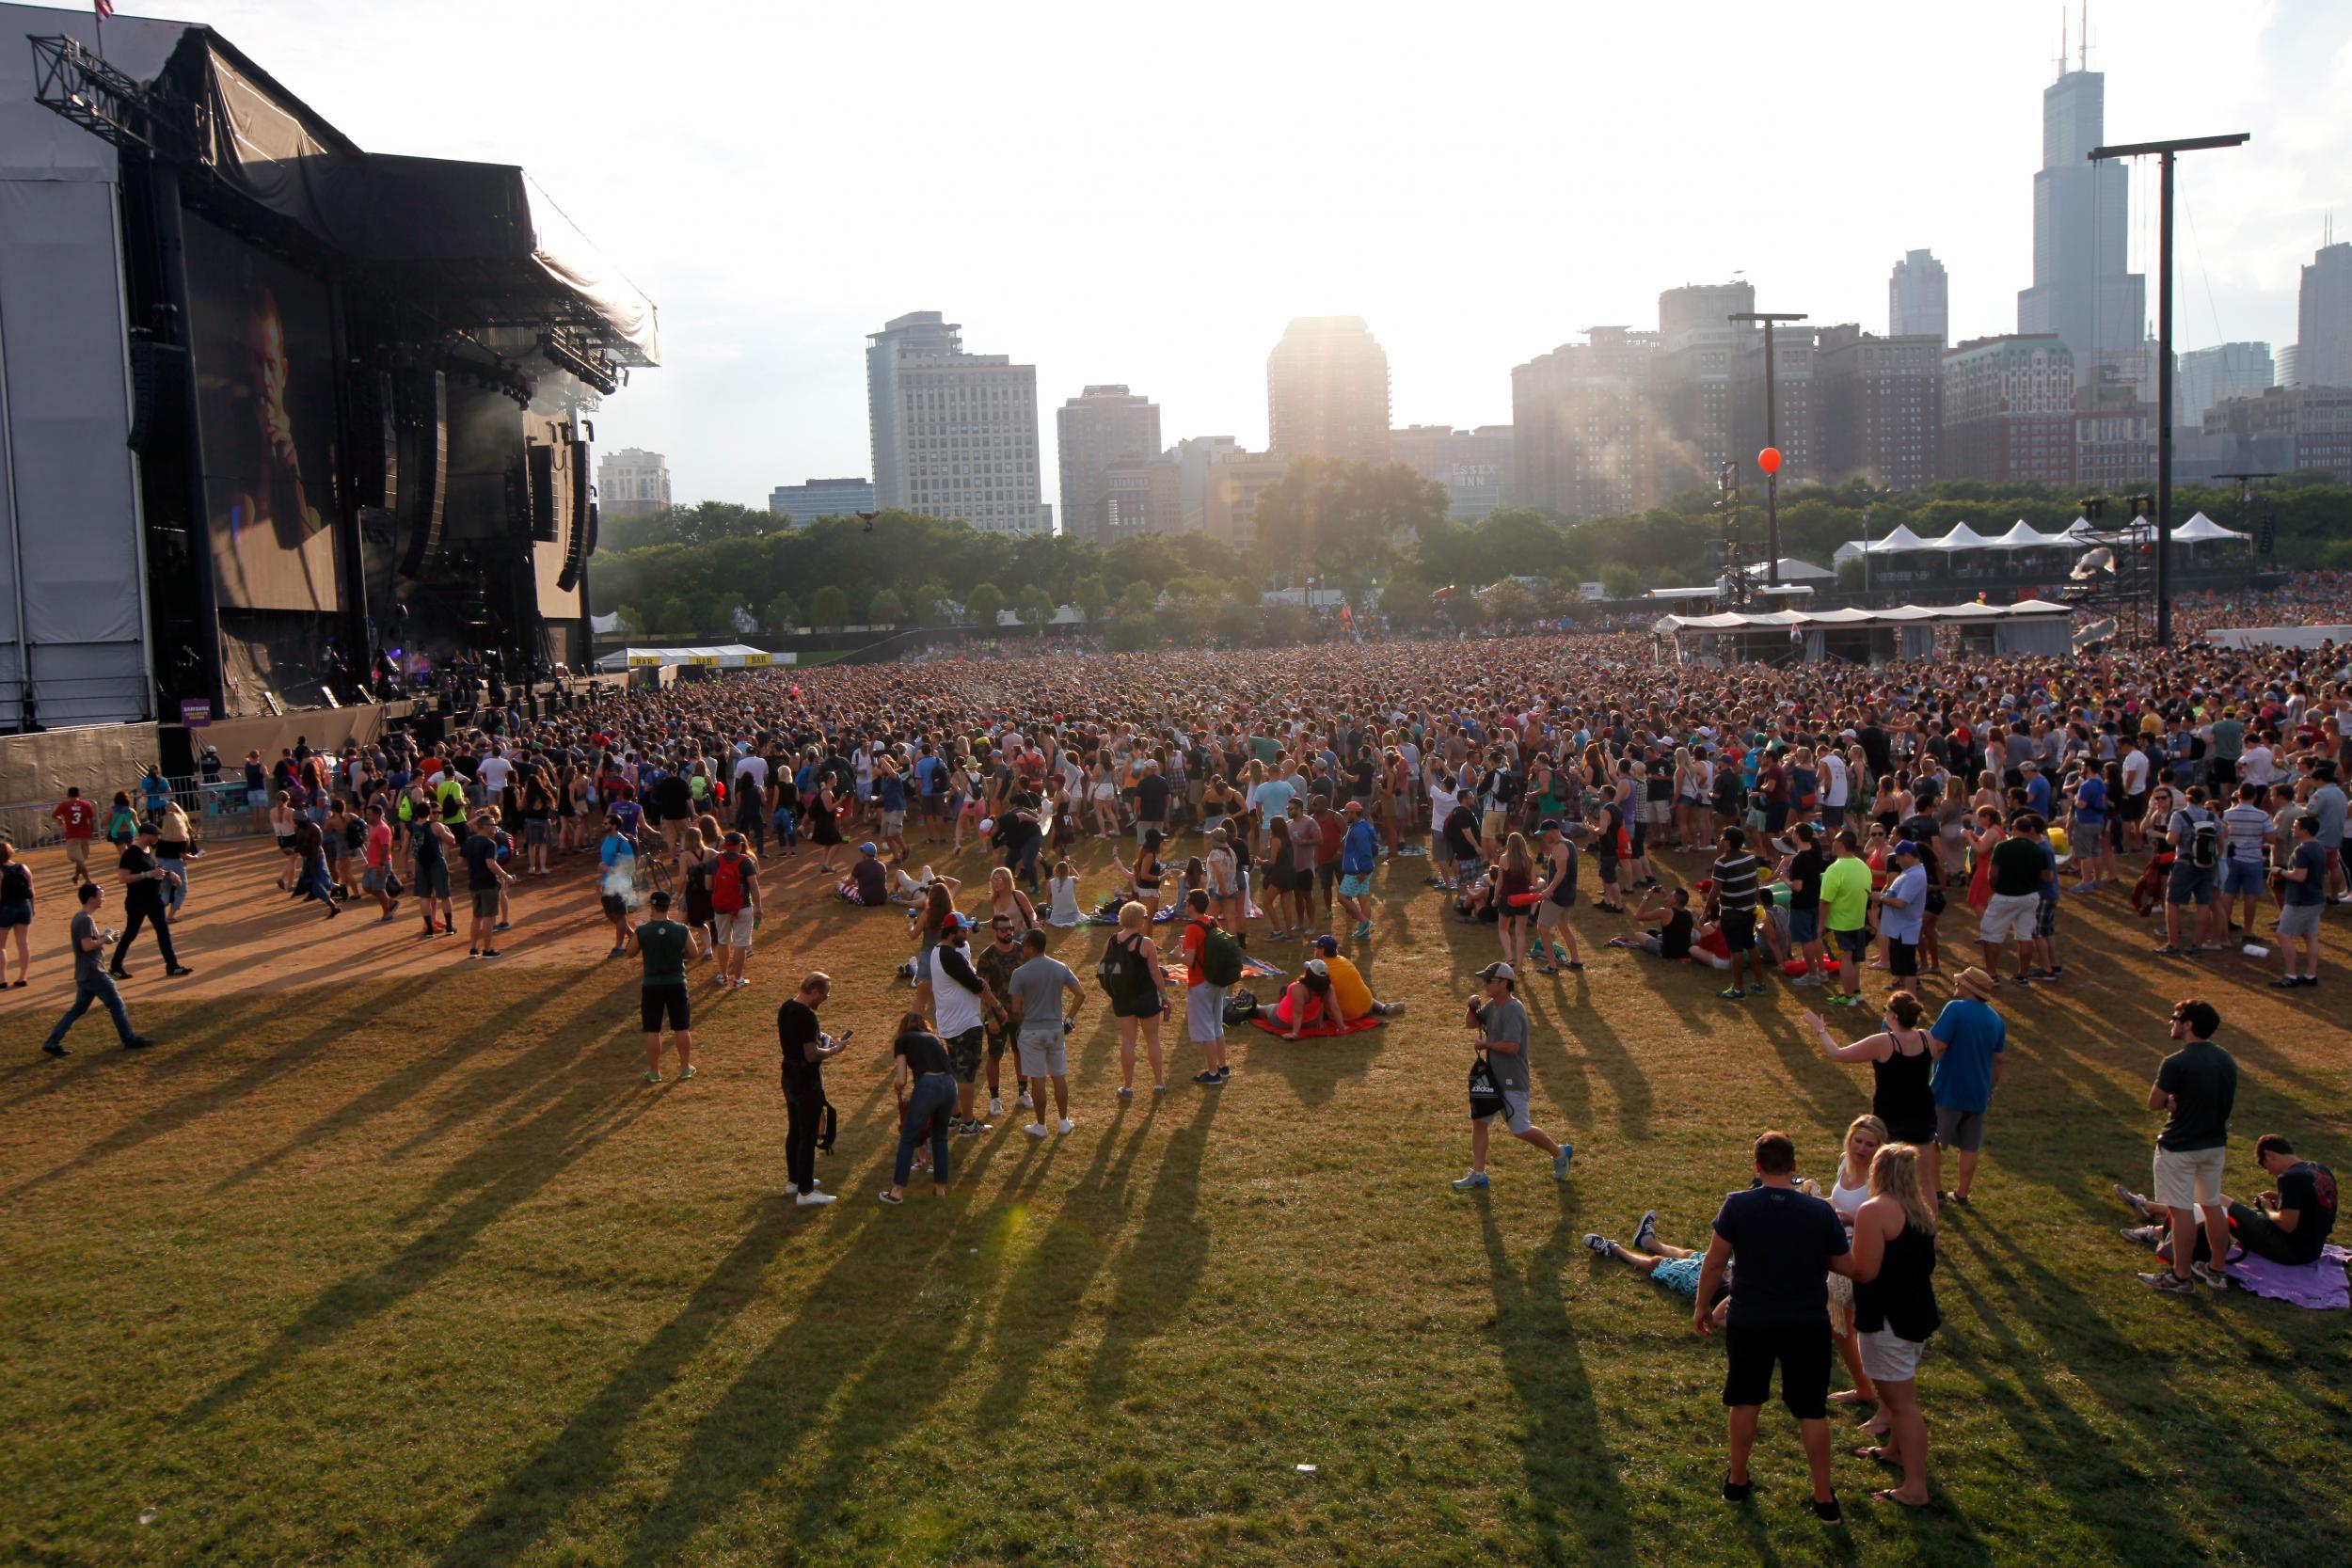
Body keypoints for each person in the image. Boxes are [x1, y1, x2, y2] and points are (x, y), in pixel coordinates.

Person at [1693, 1130, 1854, 1525]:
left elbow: (1714, 1264)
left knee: (1746, 1400)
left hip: (1750, 1319)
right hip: (1806, 1323)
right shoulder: (1819, 1212)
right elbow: (1845, 1265)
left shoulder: (1737, 1206)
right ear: (1794, 1167)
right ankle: (1823, 1498)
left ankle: (1736, 1480)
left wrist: (1702, 1306)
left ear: (1757, 1167)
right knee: (1811, 1411)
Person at [1845, 1141, 1941, 1510]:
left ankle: (1915, 1488)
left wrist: (1831, 1258)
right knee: (1900, 1395)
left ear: (1878, 1171)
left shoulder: (1874, 1211)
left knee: (1903, 1405)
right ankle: (1895, 1451)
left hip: (1887, 1319)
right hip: (1915, 1315)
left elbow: (1864, 1271)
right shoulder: (1921, 1210)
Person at [2139, 997, 2238, 1294]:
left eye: (2175, 1017)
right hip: (2214, 1145)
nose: (2172, 1022)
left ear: (2189, 1024)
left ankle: (2180, 1276)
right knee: (2212, 1207)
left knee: (2181, 1212)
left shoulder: (2176, 1063)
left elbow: (2154, 1102)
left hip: (2180, 1147)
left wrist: (2171, 1103)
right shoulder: (2226, 1060)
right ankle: (2217, 1271)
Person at [1451, 961, 1573, 1190]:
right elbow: (1471, 1024)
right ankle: (1479, 1174)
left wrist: (1485, 1044)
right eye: (1484, 980)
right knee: (1479, 1122)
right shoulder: (1492, 1005)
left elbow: (1512, 1047)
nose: (1485, 984)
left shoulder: (1513, 1009)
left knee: (1520, 1129)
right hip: (1492, 1078)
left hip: (1512, 1079)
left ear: (1505, 983)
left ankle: (1559, 1154)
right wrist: (1471, 1007)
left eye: (1489, 980)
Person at [1805, 992, 1936, 1149]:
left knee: (1884, 1169)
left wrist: (1821, 1030)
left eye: (1885, 1009)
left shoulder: (1883, 1042)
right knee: (1919, 1171)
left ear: (1893, 1015)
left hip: (1889, 1117)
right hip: (1923, 1115)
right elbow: (1928, 1062)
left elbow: (1837, 1054)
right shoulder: (1926, 1037)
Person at [1925, 968, 2006, 1207]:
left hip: (1948, 1089)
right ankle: (1962, 1193)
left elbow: (1937, 1044)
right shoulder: (1995, 1019)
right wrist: (1990, 1087)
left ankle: (1936, 1192)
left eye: (1958, 983)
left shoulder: (1955, 1009)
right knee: (1970, 1146)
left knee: (1931, 1139)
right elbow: (1999, 1060)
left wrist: (1917, 1069)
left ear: (1969, 988)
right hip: (1978, 1092)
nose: (1955, 987)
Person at [1584, 1211, 1733, 1326]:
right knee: (1688, 1254)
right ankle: (1646, 1241)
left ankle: (1613, 1249)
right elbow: (1718, 1316)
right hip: (1724, 1272)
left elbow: (1717, 1317)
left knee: (1657, 1263)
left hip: (1710, 1283)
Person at [921, 911, 996, 1134]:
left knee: (954, 1072)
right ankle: (968, 1122)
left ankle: (954, 1116)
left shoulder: (937, 951)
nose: (966, 934)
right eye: (963, 931)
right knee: (966, 1074)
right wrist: (997, 1007)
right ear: (952, 932)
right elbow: (975, 985)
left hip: (950, 1023)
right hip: (964, 1024)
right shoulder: (951, 956)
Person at [1007, 928, 1084, 1136]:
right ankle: (1063, 1121)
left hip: (1031, 1031)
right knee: (1059, 1076)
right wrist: (1068, 1020)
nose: (1022, 948)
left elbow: (1015, 1009)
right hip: (1056, 1030)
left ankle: (1040, 1126)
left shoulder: (1019, 973)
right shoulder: (1060, 967)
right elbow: (1080, 994)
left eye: (1024, 945)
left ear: (1031, 947)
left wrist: (1022, 1022)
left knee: (1037, 1079)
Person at [777, 972, 844, 1206]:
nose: (826, 997)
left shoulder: (786, 1007)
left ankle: (794, 1181)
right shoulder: (807, 1016)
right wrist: (835, 1050)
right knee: (808, 1134)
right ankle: (805, 1193)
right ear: (814, 990)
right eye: (825, 993)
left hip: (788, 1076)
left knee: (794, 1130)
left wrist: (818, 1037)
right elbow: (812, 1054)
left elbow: (798, 1042)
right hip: (806, 1080)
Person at [2222, 1133, 2337, 1266]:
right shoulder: (2320, 1169)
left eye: (2266, 1165)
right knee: (2252, 1213)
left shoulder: (2289, 1177)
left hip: (2290, 1252)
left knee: (2222, 1202)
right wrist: (2281, 1197)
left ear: (2270, 1155)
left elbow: (2287, 1225)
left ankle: (2211, 1252)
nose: (2269, 1172)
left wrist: (2267, 1208)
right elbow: (2314, 1203)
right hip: (2312, 1251)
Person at [625, 890, 701, 1085]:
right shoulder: (680, 929)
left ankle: (655, 1071)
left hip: (652, 985)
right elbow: (693, 953)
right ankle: (685, 1068)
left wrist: (634, 934)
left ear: (652, 906)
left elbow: (630, 953)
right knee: (681, 1027)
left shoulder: (643, 931)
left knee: (653, 1029)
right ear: (668, 907)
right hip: (676, 982)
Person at [882, 1009, 956, 1205]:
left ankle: (897, 1191)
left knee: (908, 1137)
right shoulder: (934, 1039)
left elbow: (902, 1079)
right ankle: (940, 1189)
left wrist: (897, 1087)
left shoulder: (902, 1041)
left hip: (927, 1086)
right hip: (949, 1085)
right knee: (940, 1137)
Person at [1099, 899, 1167, 1098]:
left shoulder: (1111, 940)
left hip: (1122, 997)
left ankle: (1128, 1086)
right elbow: (1155, 973)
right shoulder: (1145, 943)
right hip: (1145, 997)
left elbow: (1103, 967)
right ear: (1139, 920)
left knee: (1128, 1041)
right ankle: (1159, 1084)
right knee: (1152, 1040)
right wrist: (1164, 995)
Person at [110, 823, 189, 979]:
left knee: (163, 933)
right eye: (155, 835)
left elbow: (155, 867)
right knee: (131, 934)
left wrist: (169, 873)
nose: (158, 838)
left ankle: (172, 966)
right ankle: (115, 966)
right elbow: (123, 878)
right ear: (145, 835)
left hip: (154, 900)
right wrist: (148, 875)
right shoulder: (131, 853)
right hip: (137, 901)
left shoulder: (148, 851)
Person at [1978, 812, 2048, 985]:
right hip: (2029, 897)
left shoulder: (2002, 847)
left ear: (2014, 828)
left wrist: (1995, 889)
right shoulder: (2037, 849)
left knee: (1990, 934)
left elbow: (1993, 874)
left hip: (2005, 896)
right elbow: (2046, 876)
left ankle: (1992, 974)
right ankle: (2022, 975)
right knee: (2025, 935)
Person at [1180, 889, 1233, 1084]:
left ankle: (1212, 1073)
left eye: (1186, 903)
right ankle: (1222, 1065)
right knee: (1216, 1025)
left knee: (1205, 1029)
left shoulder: (1192, 928)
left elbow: (1189, 960)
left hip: (1201, 983)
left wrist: (1179, 952)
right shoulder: (1212, 921)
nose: (1185, 905)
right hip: (1217, 980)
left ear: (1192, 906)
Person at [1709, 828, 1768, 1000]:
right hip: (1749, 910)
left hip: (1731, 913)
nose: (1720, 840)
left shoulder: (1722, 862)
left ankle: (1738, 989)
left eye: (1722, 837)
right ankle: (1759, 983)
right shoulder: (1750, 857)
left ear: (1727, 842)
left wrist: (1706, 911)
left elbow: (1715, 891)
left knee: (1735, 950)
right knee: (1750, 945)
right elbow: (1754, 882)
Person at [1818, 831, 1872, 1009]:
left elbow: (1825, 901)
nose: (1831, 843)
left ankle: (1847, 995)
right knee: (1854, 959)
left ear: (1841, 844)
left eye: (1834, 840)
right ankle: (1856, 992)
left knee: (1845, 959)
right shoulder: (1863, 865)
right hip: (1857, 921)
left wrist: (1820, 925)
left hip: (1839, 923)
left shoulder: (1834, 869)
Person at [2271, 815, 2328, 987]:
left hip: (2301, 900)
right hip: (2316, 898)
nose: (2293, 829)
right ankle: (2311, 975)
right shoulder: (2319, 847)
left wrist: (2280, 872)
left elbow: (2299, 876)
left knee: (2283, 934)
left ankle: (2291, 975)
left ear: (2304, 831)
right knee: (2310, 935)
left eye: (2295, 826)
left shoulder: (2301, 851)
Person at [708, 832, 761, 990]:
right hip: (742, 906)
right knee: (741, 943)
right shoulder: (746, 862)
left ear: (725, 845)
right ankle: (738, 979)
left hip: (721, 908)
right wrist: (759, 907)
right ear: (739, 845)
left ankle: (723, 976)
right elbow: (754, 886)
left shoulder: (714, 861)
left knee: (723, 941)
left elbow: (707, 886)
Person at [1310, 932, 1403, 1020]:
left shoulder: (1318, 969)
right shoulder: (1343, 960)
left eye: (1316, 948)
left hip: (1348, 1014)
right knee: (1357, 988)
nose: (1314, 950)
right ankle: (1383, 1008)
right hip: (1367, 1006)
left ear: (1322, 950)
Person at [1530, 819, 1583, 974]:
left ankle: (1552, 965)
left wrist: (1548, 890)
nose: (1544, 838)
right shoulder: (1569, 844)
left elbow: (1561, 871)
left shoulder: (1560, 847)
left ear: (1553, 831)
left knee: (1542, 928)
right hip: (1569, 894)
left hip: (1558, 895)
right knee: (1563, 926)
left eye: (1545, 834)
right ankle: (1576, 960)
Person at [461, 810, 514, 958]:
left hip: (474, 883)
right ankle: (488, 950)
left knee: (476, 918)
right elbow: (491, 864)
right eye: (492, 824)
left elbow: (460, 861)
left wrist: (474, 866)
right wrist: (505, 875)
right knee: (489, 919)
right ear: (484, 826)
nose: (495, 826)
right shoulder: (490, 843)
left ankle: (473, 949)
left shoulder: (469, 842)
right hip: (488, 884)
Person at [1337, 800, 1378, 942]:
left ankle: (1364, 922)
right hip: (1363, 868)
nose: (1345, 815)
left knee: (1342, 897)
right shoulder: (1359, 826)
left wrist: (1362, 871)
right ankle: (1364, 932)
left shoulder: (1359, 830)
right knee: (1363, 899)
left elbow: (1365, 851)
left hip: (1358, 870)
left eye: (1346, 813)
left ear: (1354, 813)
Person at [0, 841, 32, 987]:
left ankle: (2, 980)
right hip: (24, 907)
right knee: (23, 943)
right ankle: (22, 977)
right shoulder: (23, 868)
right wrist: (33, 907)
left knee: (1, 946)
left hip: (6, 908)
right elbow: (31, 891)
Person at [51, 786, 97, 887]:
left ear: (68, 795)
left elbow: (54, 815)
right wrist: (91, 833)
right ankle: (76, 876)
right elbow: (92, 820)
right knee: (81, 859)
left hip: (72, 836)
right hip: (85, 835)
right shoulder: (86, 804)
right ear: (79, 795)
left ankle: (88, 880)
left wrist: (60, 819)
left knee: (79, 860)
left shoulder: (65, 805)